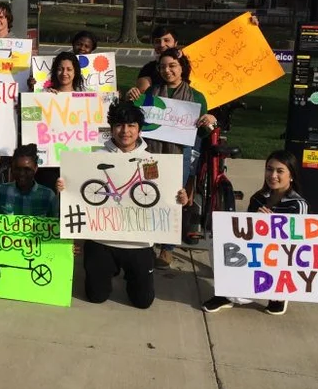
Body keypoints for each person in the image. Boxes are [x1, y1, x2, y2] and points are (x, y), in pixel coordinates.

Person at [55, 101, 188, 309]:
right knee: (96, 296)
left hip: (139, 244)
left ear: (139, 129)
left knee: (143, 302)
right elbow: (76, 188)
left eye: (131, 125)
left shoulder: (150, 160)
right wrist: (65, 187)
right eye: (119, 125)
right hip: (101, 242)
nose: (125, 131)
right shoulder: (94, 155)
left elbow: (159, 190)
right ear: (111, 129)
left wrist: (178, 198)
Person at [202, 150, 308, 317]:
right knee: (217, 241)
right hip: (256, 249)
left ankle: (278, 294)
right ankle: (226, 291)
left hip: (278, 255)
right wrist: (254, 223)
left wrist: (273, 226)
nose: (273, 175)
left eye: (280, 171)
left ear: (291, 176)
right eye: (269, 169)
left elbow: (298, 244)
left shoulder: (297, 205)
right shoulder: (258, 198)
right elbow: (245, 234)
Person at [144, 49, 217, 269]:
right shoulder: (152, 94)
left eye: (172, 65)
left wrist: (209, 121)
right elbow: (139, 124)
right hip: (151, 154)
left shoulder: (196, 97)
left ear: (182, 67)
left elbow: (202, 135)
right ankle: (147, 242)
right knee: (149, 194)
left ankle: (167, 248)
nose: (167, 70)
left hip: (180, 155)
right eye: (163, 66)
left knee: (174, 198)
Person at [0, 144, 58, 217]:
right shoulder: (1, 191)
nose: (22, 174)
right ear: (12, 168)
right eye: (17, 169)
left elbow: (55, 224)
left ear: (35, 168)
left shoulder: (48, 196)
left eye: (27, 169)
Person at [127, 25, 178, 101]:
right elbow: (142, 99)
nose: (162, 45)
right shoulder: (148, 69)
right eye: (157, 41)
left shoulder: (187, 66)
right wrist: (132, 95)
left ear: (175, 43)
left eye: (167, 40)